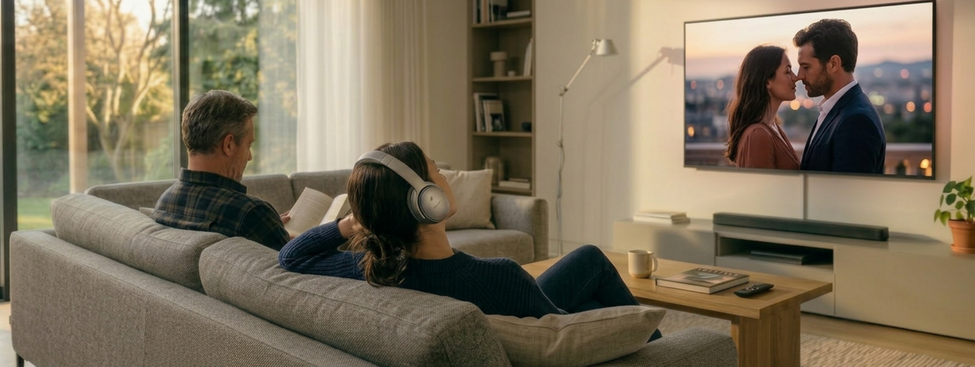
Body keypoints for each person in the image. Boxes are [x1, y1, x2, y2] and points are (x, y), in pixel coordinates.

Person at [278, 141, 661, 342]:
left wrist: (348, 224)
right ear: (426, 200)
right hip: (522, 311)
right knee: (593, 266)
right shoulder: (500, 278)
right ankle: (667, 354)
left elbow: (291, 256)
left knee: (588, 263)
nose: (445, 175)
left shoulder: (367, 270)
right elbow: (563, 333)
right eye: (436, 171)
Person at [152, 90, 291, 250]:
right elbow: (293, 272)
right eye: (249, 145)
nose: (250, 157)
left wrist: (270, 229)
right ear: (229, 145)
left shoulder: (165, 202)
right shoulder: (251, 215)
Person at [794, 19, 885, 173]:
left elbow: (848, 194)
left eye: (806, 67)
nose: (799, 76)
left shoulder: (856, 121)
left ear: (834, 64)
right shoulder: (839, 110)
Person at [724, 45, 801, 170]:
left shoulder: (772, 127)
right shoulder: (758, 135)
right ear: (767, 82)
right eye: (787, 71)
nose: (795, 77)